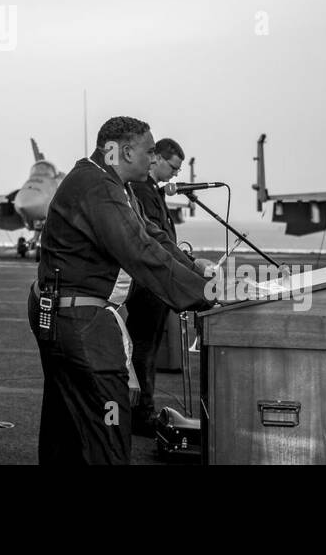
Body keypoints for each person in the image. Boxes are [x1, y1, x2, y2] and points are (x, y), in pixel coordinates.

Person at [27, 116, 213, 465]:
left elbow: (152, 237)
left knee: (67, 428)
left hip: (67, 315)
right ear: (127, 151)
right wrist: (206, 295)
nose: (153, 157)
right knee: (106, 429)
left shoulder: (113, 184)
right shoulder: (98, 187)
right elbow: (138, 251)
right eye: (149, 150)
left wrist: (196, 270)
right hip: (80, 322)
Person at [125, 136, 187, 435]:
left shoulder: (150, 190)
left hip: (158, 278)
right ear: (159, 159)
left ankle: (143, 408)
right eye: (173, 167)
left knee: (147, 347)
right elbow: (153, 237)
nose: (175, 174)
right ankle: (141, 412)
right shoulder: (140, 190)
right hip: (151, 282)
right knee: (144, 348)